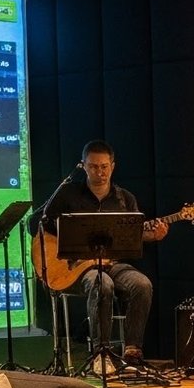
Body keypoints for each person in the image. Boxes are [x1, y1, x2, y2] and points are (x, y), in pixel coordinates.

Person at [38, 139, 162, 363]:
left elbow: (134, 237)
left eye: (104, 166)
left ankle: (132, 350)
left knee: (142, 284)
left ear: (112, 166)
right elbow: (36, 223)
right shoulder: (68, 194)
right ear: (83, 166)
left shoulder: (125, 199)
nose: (100, 172)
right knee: (102, 283)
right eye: (94, 166)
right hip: (76, 269)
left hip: (112, 264)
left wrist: (152, 236)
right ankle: (100, 353)